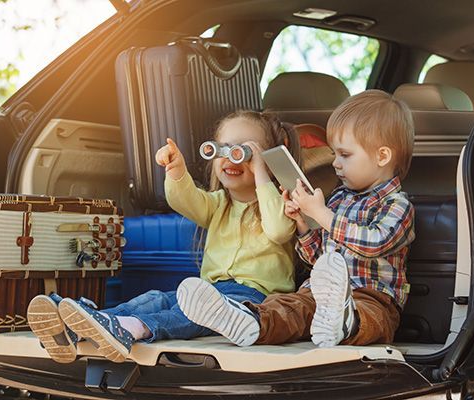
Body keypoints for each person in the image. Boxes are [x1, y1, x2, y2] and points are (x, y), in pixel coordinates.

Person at [26, 110, 297, 363]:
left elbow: (277, 229)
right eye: (222, 149)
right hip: (207, 290)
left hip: (253, 299)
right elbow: (185, 200)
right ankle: (84, 323)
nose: (229, 158)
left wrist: (262, 170)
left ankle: (133, 328)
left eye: (243, 152)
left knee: (187, 315)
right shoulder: (217, 204)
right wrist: (176, 170)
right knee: (158, 298)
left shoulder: (280, 205)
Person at [178, 90, 415, 348]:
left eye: (344, 155)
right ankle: (249, 321)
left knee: (375, 320)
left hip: (370, 295)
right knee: (288, 307)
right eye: (334, 154)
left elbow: (374, 243)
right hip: (318, 294)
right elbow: (317, 258)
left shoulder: (397, 205)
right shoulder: (337, 199)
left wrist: (322, 214)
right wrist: (303, 224)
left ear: (382, 156)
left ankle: (346, 322)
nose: (335, 164)